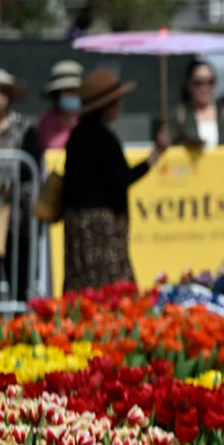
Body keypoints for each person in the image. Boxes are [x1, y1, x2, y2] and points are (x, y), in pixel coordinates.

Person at [61, 69, 170, 291]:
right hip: (100, 229)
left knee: (82, 288)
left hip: (78, 226)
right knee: (110, 289)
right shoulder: (101, 138)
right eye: (116, 101)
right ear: (105, 106)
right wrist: (155, 154)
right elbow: (121, 179)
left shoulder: (78, 136)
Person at [0, 69, 41, 302]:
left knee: (20, 279)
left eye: (2, 92)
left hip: (18, 219)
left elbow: (31, 167)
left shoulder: (26, 128)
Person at [169, 59, 224, 149]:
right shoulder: (179, 115)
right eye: (198, 83)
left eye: (210, 82)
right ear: (188, 84)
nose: (205, 88)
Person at [34, 61, 85, 151]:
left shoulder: (87, 120)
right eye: (68, 91)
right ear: (57, 94)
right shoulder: (46, 121)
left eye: (75, 91)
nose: (73, 94)